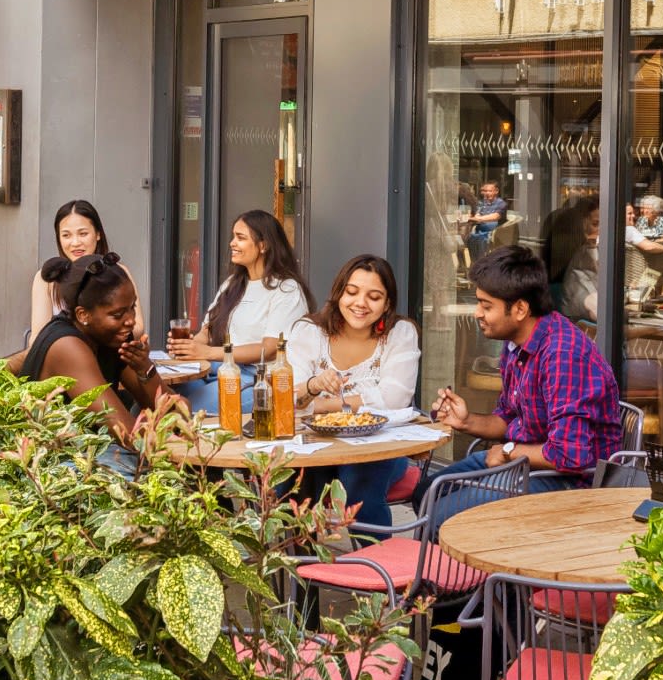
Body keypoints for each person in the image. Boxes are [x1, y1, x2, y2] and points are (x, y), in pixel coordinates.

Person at [422, 246, 621, 518]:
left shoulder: (562, 354)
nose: (477, 313)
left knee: (442, 514)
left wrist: (507, 452)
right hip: (530, 462)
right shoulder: (518, 344)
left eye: (486, 305)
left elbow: (570, 455)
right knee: (427, 491)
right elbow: (509, 417)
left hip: (572, 482)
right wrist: (466, 421)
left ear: (519, 309)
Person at [287, 255, 420, 527]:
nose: (360, 303)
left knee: (358, 481)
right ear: (338, 294)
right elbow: (288, 399)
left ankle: (372, 564)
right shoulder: (309, 332)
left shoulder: (400, 333)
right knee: (291, 483)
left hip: (379, 447)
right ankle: (305, 565)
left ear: (387, 305)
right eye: (352, 292)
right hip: (313, 446)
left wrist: (323, 405)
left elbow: (394, 400)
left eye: (374, 297)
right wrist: (313, 386)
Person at [19, 252, 157, 477]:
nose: (131, 320)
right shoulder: (67, 346)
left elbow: (177, 413)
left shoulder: (113, 335)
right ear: (83, 315)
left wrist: (146, 370)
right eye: (118, 313)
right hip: (54, 468)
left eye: (132, 308)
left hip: (94, 454)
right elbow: (126, 432)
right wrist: (183, 450)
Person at [166, 209, 313, 412]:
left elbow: (270, 349)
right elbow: (206, 331)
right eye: (233, 237)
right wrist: (189, 347)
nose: (232, 243)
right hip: (215, 369)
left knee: (177, 410)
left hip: (257, 379)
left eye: (240, 238)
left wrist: (208, 352)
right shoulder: (233, 284)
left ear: (264, 245)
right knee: (155, 398)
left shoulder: (286, 289)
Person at [28, 200, 145, 340]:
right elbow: (38, 338)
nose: (75, 243)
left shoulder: (118, 270)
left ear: (98, 234)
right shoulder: (46, 280)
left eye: (83, 234)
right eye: (66, 235)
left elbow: (137, 327)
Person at [464, 180, 508, 257]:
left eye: (490, 191)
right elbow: (477, 215)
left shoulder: (501, 203)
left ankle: (481, 262)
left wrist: (478, 219)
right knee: (467, 238)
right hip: (479, 231)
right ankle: (472, 262)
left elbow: (495, 217)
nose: (487, 193)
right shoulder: (482, 203)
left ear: (496, 191)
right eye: (485, 191)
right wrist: (473, 217)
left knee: (480, 240)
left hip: (494, 234)